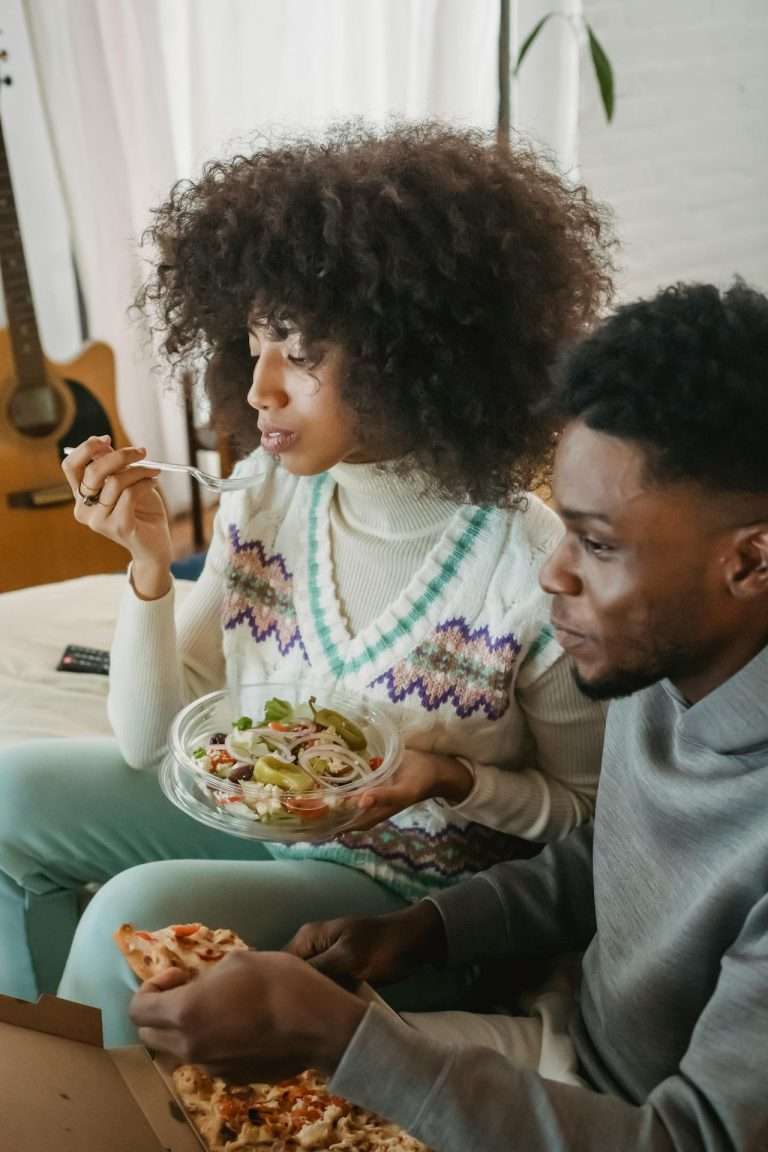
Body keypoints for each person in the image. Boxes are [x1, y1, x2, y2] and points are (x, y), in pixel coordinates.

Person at [0, 123, 612, 1037]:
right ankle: (57, 1074)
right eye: (253, 345)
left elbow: (589, 827)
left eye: (302, 353)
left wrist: (452, 780)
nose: (259, 390)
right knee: (9, 794)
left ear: (420, 352)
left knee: (129, 920)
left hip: (410, 902)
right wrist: (147, 570)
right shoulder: (266, 496)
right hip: (261, 823)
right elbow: (147, 745)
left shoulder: (529, 570)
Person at [131, 281, 768, 1152]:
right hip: (559, 1043)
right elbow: (609, 857)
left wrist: (343, 1037)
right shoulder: (669, 665)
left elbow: (691, 1140)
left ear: (752, 560)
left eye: (599, 544)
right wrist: (420, 930)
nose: (554, 576)